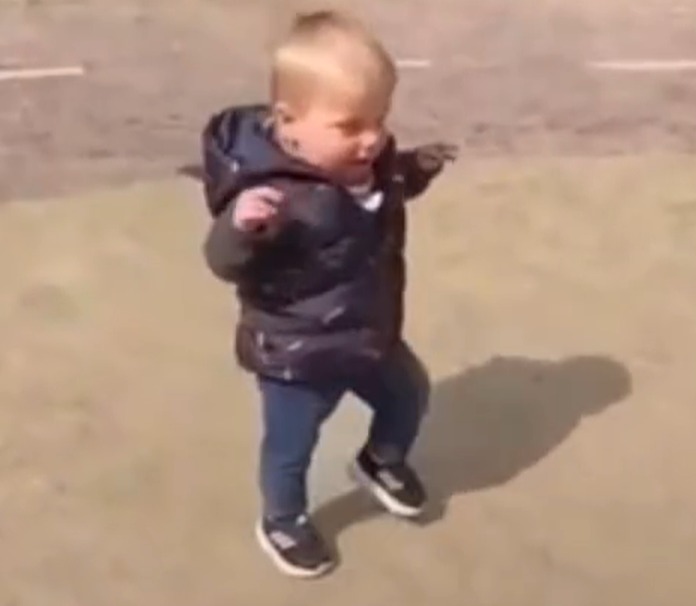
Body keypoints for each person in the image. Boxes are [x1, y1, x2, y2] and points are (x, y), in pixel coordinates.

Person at [201, 9, 457, 578]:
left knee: (408, 394)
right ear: (289, 123)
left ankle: (379, 460)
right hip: (299, 352)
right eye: (350, 126)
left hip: (366, 330)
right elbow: (222, 261)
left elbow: (388, 189)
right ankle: (282, 519)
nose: (371, 139)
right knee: (291, 446)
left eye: (380, 119)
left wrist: (417, 168)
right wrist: (239, 226)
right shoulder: (275, 197)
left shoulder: (372, 162)